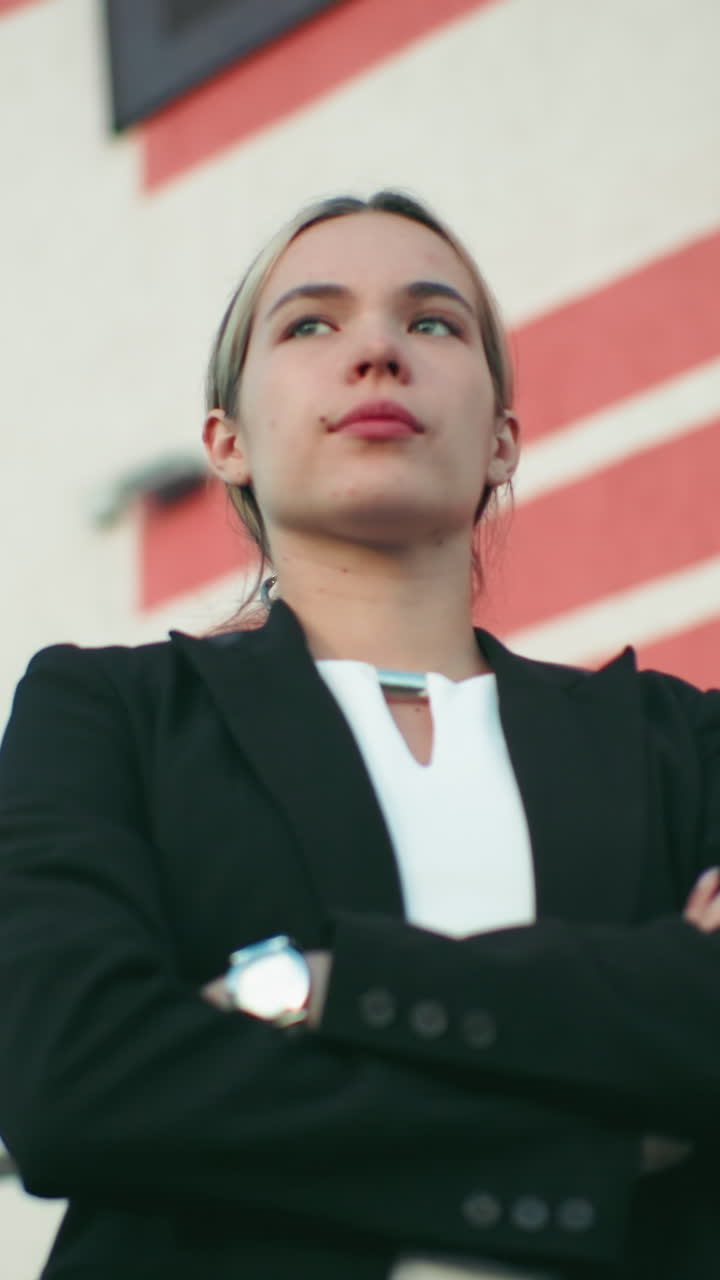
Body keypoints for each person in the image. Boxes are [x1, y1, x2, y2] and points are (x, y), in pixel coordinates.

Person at [0, 190, 719, 1280]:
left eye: (434, 322)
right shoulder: (104, 715)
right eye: (310, 323)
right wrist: (602, 1128)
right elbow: (71, 1077)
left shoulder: (681, 743)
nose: (378, 349)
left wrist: (308, 985)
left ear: (502, 439)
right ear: (226, 441)